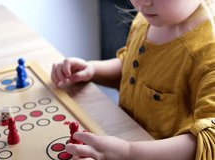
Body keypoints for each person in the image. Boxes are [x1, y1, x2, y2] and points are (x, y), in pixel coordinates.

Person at [51, 0, 215, 159]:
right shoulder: (150, 18)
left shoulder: (209, 53)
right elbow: (135, 69)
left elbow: (210, 141)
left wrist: (128, 152)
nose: (141, 2)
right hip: (124, 136)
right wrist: (93, 70)